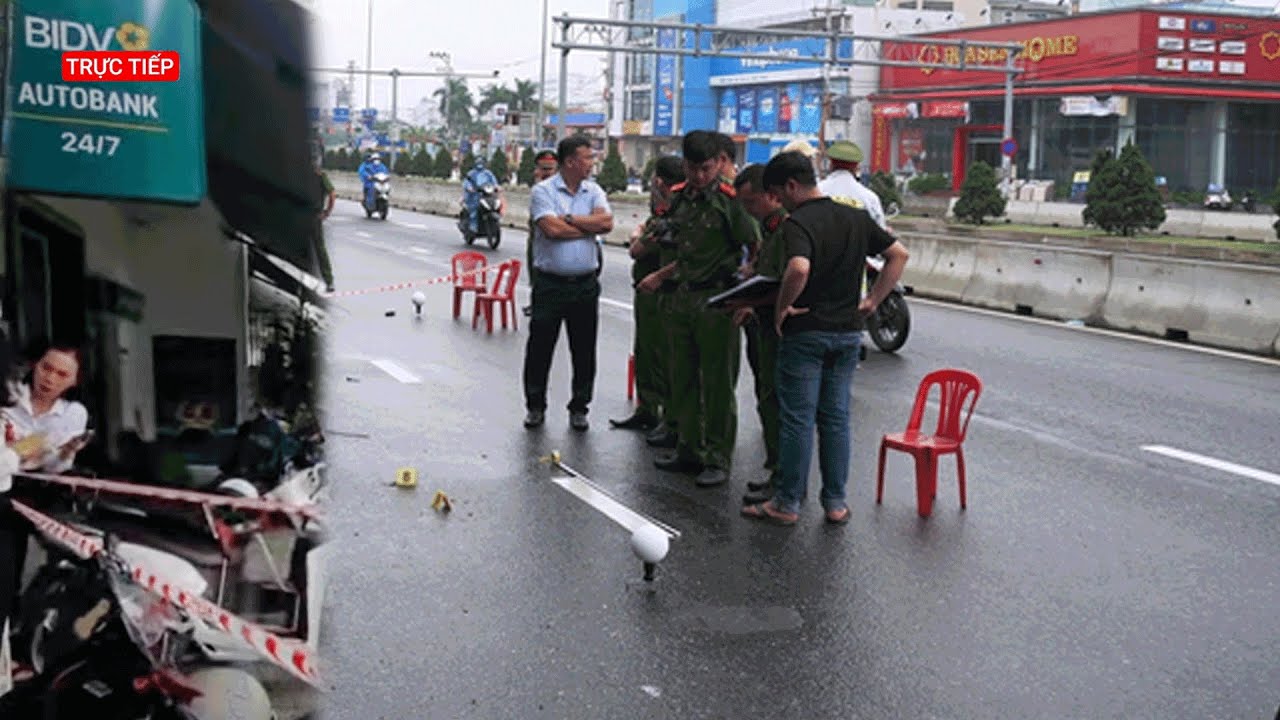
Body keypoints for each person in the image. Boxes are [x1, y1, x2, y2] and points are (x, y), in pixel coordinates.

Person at [740, 151, 907, 526]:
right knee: (836, 419)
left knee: (798, 419)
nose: (779, 203)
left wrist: (784, 306)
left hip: (807, 333)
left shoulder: (798, 223)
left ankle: (786, 504)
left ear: (792, 187)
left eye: (779, 195)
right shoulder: (855, 217)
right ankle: (835, 503)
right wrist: (872, 301)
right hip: (848, 333)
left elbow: (799, 267)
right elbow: (898, 254)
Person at [637, 130, 760, 488]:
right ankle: (688, 447)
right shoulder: (681, 198)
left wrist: (747, 294)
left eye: (705, 169)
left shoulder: (729, 200)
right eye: (692, 169)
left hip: (717, 301)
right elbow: (674, 240)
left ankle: (718, 456)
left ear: (719, 164)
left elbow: (754, 246)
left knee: (718, 383)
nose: (698, 177)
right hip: (682, 297)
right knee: (683, 377)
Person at [522, 135, 614, 431]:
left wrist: (571, 219)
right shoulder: (543, 191)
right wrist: (587, 227)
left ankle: (580, 407)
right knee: (540, 347)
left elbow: (607, 224)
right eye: (588, 157)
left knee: (584, 348)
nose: (592, 163)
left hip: (585, 285)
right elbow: (551, 230)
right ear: (571, 161)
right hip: (550, 284)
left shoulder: (594, 190)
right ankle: (535, 405)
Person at [726, 164, 788, 505]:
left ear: (771, 195)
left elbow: (789, 278)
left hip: (776, 326)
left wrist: (753, 301)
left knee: (777, 401)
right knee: (766, 397)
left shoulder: (787, 228)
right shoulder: (769, 226)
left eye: (751, 202)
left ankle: (783, 478)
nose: (747, 210)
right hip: (762, 324)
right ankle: (776, 470)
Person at [609, 155, 685, 432]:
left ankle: (662, 413)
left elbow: (636, 250)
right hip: (650, 291)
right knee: (645, 351)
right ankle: (648, 408)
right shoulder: (665, 212)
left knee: (659, 353)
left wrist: (639, 237)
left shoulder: (675, 213)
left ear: (659, 182)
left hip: (662, 292)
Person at [818, 140, 886, 229]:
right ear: (856, 167)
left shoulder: (818, 191)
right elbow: (880, 232)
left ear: (831, 164)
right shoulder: (869, 198)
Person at [462, 157, 502, 234]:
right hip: (474, 195)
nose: (480, 165)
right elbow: (467, 182)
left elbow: (494, 182)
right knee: (474, 208)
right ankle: (473, 225)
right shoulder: (471, 173)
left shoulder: (488, 173)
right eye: (478, 163)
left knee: (496, 203)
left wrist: (497, 187)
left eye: (481, 163)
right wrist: (470, 188)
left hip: (487, 195)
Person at [314, 157, 336, 292]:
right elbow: (332, 194)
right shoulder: (321, 177)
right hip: (315, 217)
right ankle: (329, 281)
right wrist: (327, 212)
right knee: (320, 250)